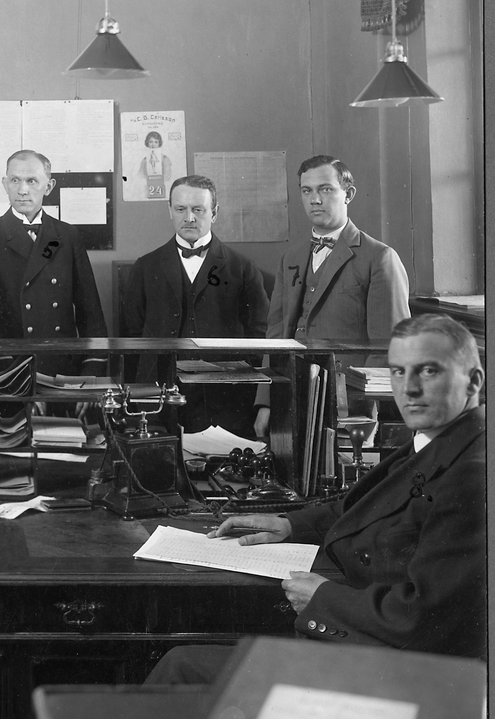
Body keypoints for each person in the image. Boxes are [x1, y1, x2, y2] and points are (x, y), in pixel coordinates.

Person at [147, 314, 485, 683]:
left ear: (474, 381)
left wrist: (324, 599)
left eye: (429, 371)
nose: (409, 389)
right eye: (399, 372)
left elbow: (426, 618)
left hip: (397, 672)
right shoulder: (441, 438)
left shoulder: (473, 474)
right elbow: (364, 507)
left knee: (180, 667)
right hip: (369, 635)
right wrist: (289, 524)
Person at [255, 155, 410, 436]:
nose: (315, 200)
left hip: (348, 408)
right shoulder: (290, 258)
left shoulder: (379, 258)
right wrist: (267, 402)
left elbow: (388, 346)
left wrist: (357, 407)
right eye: (307, 191)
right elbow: (275, 336)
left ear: (348, 194)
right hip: (289, 399)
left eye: (325, 189)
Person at [122, 174, 268, 435]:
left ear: (214, 213)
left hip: (225, 398)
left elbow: (259, 336)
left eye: (198, 209)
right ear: (170, 210)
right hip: (158, 397)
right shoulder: (145, 267)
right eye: (181, 209)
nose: (189, 217)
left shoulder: (243, 268)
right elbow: (132, 335)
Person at [0, 149, 107, 376]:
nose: (22, 190)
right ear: (5, 184)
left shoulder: (67, 236)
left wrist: (93, 366)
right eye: (15, 180)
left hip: (62, 367)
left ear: (48, 186)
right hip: (12, 367)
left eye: (32, 181)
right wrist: (7, 370)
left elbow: (90, 309)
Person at [136, 130, 172, 200]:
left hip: (163, 190)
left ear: (159, 143)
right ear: (147, 143)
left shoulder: (165, 159)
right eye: (151, 142)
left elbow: (168, 177)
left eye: (156, 142)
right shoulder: (144, 160)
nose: (153, 144)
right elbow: (140, 176)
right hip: (147, 190)